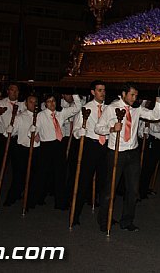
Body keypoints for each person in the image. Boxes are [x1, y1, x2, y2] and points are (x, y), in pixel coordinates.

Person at [95, 83, 160, 232]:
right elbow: (97, 128)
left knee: (133, 190)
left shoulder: (136, 109)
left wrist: (158, 99)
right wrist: (112, 129)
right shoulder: (111, 109)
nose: (134, 98)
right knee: (110, 188)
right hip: (116, 152)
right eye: (132, 95)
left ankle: (127, 220)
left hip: (133, 153)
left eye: (136, 95)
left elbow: (155, 116)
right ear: (123, 94)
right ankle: (104, 220)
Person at [28, 93, 81, 210]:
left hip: (59, 146)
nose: (51, 103)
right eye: (49, 101)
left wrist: (75, 94)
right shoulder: (41, 115)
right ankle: (34, 200)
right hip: (46, 147)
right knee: (41, 174)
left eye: (53, 101)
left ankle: (60, 202)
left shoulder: (60, 113)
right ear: (45, 103)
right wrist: (33, 133)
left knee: (60, 175)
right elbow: (33, 129)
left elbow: (77, 108)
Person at [70, 80, 108, 226]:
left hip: (105, 147)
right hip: (91, 147)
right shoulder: (86, 108)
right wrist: (80, 131)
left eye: (104, 90)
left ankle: (104, 217)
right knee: (83, 181)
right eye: (99, 90)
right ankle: (75, 214)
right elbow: (75, 131)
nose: (102, 93)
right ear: (93, 92)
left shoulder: (109, 109)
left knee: (105, 183)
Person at [0, 82, 25, 200]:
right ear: (8, 91)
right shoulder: (0, 104)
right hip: (3, 138)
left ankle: (16, 192)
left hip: (17, 139)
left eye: (17, 91)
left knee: (18, 167)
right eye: (12, 90)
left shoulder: (23, 105)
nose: (15, 92)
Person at [4, 94, 40, 207]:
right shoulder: (20, 117)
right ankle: (12, 197)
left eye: (35, 102)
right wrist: (9, 130)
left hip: (36, 149)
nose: (33, 104)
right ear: (26, 103)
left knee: (34, 176)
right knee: (19, 175)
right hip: (22, 150)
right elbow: (10, 132)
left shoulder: (40, 116)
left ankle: (30, 200)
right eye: (30, 102)